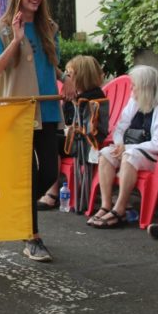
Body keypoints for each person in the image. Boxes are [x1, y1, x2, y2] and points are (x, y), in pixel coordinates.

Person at [0, 0, 74, 262]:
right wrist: (16, 40)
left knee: (49, 171)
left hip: (47, 110)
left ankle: (12, 206)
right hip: (19, 111)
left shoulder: (50, 28)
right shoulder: (1, 29)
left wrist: (67, 78)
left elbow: (52, 65)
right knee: (29, 175)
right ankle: (32, 237)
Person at [88, 65, 158, 228]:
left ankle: (120, 209)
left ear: (145, 87)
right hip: (137, 150)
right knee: (106, 154)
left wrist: (127, 149)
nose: (131, 89)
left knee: (131, 156)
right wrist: (120, 144)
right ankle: (106, 205)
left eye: (134, 85)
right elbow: (120, 128)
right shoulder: (135, 100)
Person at [37, 55, 106, 209]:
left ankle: (52, 193)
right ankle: (44, 186)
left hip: (85, 142)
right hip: (72, 138)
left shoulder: (92, 97)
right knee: (46, 137)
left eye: (70, 73)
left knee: (50, 141)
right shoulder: (73, 95)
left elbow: (90, 126)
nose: (66, 77)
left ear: (82, 75)